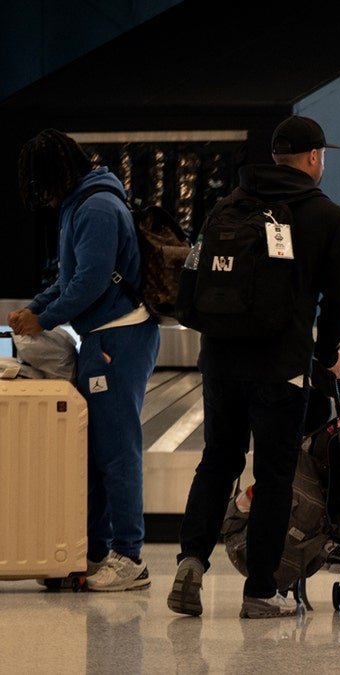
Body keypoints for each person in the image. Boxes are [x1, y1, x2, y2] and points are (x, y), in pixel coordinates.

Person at [167, 116, 340, 619]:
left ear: (275, 157)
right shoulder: (326, 215)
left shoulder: (230, 203)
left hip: (221, 358)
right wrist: (328, 351)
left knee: (218, 460)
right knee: (275, 475)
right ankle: (260, 591)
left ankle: (191, 559)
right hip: (280, 364)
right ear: (315, 158)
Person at [11, 129, 161, 591]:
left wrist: (45, 318)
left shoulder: (95, 207)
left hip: (120, 337)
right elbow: (69, 277)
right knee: (95, 451)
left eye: (41, 182)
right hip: (101, 338)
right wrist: (36, 308)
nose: (40, 193)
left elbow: (91, 284)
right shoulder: (80, 203)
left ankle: (130, 557)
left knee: (117, 451)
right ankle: (95, 550)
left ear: (57, 173)